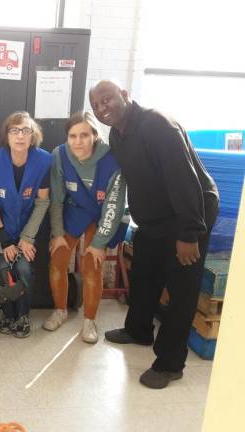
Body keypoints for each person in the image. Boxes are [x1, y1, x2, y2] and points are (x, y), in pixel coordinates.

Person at [89, 80, 219, 389]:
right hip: (154, 220)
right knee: (145, 274)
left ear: (125, 94)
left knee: (182, 291)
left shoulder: (157, 126)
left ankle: (171, 363)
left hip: (188, 214)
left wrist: (189, 234)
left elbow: (184, 181)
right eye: (95, 105)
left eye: (106, 99)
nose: (102, 108)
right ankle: (139, 330)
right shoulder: (118, 134)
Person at [44, 111, 126, 344]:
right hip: (75, 209)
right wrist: (58, 233)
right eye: (72, 136)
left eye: (84, 135)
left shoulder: (113, 159)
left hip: (103, 214)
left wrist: (99, 243)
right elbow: (57, 199)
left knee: (92, 263)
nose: (78, 142)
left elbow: (113, 206)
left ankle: (89, 321)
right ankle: (60, 310)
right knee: (58, 258)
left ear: (95, 136)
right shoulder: (59, 155)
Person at [0, 111, 52, 338]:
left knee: (23, 269)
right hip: (3, 230)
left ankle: (22, 316)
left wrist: (26, 238)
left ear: (33, 135)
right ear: (7, 135)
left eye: (26, 130)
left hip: (30, 231)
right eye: (14, 130)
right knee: (4, 269)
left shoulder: (44, 160)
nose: (20, 136)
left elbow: (43, 203)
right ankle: (8, 315)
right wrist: (4, 239)